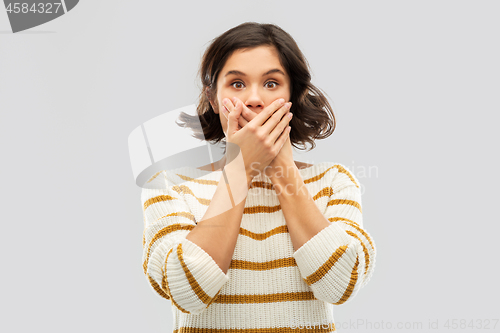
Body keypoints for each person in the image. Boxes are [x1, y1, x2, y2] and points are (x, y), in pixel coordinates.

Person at [140, 22, 376, 332]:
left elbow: (341, 284)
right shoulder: (169, 185)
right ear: (212, 98)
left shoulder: (334, 181)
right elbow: (188, 288)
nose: (254, 99)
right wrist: (240, 168)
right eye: (237, 84)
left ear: (293, 94)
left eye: (271, 83)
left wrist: (280, 167)